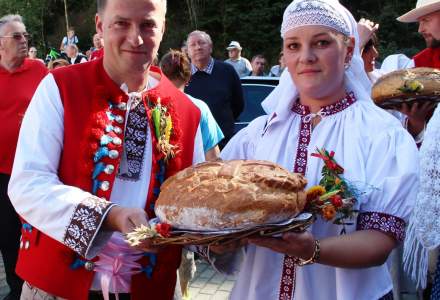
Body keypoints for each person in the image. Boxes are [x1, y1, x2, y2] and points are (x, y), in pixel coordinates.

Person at [208, 0, 419, 299]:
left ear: (348, 51)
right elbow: (218, 222)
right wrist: (220, 241)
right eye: (293, 46)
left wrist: (313, 249)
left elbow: (380, 241)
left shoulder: (381, 134)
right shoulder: (257, 135)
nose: (306, 57)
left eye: (321, 43)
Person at [7, 0, 204, 299]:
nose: (136, 38)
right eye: (121, 23)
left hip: (152, 289)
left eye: (148, 25)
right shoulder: (60, 87)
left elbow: (194, 205)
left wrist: (219, 239)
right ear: (100, 26)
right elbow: (28, 184)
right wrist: (108, 216)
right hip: (57, 288)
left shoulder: (188, 112)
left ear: (163, 28)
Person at [160, 48, 224, 299]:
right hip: (186, 207)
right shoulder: (200, 108)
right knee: (182, 273)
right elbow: (214, 161)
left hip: (153, 204)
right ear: (188, 79)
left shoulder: (152, 104)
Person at [0, 14, 48, 300]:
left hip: (34, 171)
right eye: (16, 36)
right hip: (1, 174)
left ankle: (37, 286)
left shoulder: (39, 70)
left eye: (25, 35)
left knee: (35, 233)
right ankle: (17, 289)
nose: (24, 40)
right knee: (7, 235)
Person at [160, 49, 224, 161]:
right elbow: (213, 158)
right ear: (188, 78)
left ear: (161, 75)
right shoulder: (200, 108)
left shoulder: (149, 104)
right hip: (191, 176)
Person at [185, 30, 244, 148]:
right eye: (193, 44)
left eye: (202, 43)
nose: (198, 47)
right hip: (192, 147)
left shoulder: (227, 71)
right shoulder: (182, 74)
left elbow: (238, 105)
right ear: (187, 51)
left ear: (210, 47)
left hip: (224, 145)